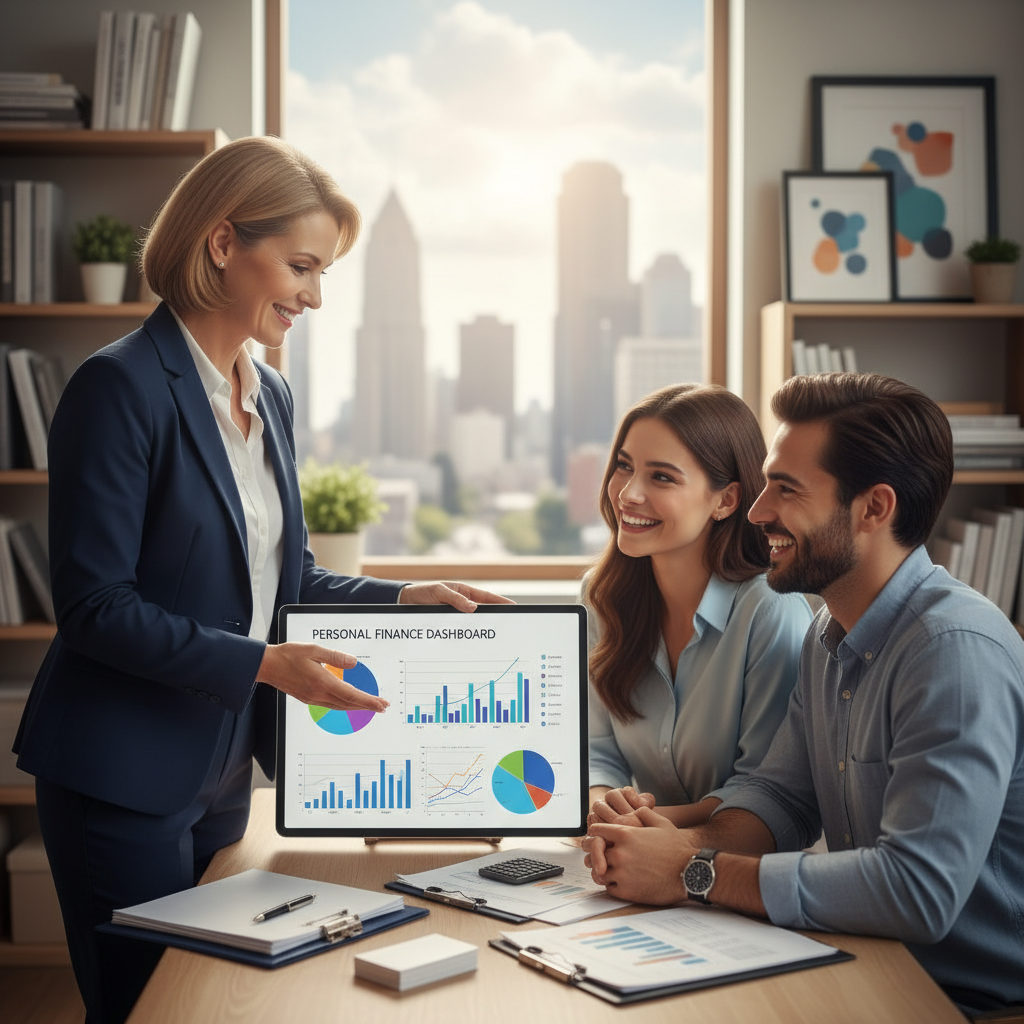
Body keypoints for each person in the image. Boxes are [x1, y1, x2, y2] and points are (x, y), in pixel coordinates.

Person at [13, 135, 510, 1024]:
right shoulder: (117, 387)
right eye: (301, 266)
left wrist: (404, 598)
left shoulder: (269, 393)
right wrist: (265, 664)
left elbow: (291, 579)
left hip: (220, 769)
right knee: (142, 1011)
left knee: (213, 1003)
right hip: (120, 770)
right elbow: (93, 609)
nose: (314, 295)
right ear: (221, 244)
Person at [584, 372, 1024, 1016]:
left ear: (874, 508)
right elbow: (778, 798)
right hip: (865, 960)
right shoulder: (830, 633)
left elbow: (917, 891)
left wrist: (688, 873)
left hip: (966, 998)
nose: (758, 512)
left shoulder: (952, 650)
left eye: (785, 490)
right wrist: (667, 849)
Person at [586, 383, 812, 829]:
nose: (628, 494)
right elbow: (597, 752)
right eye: (624, 467)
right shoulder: (601, 597)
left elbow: (764, 789)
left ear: (725, 500)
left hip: (737, 864)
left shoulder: (770, 613)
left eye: (662, 476)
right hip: (632, 853)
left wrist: (641, 827)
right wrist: (604, 808)